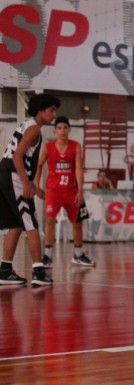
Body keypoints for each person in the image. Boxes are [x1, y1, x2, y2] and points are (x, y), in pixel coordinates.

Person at [0, 93, 59, 287]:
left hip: (7, 174)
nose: (54, 113)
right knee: (31, 223)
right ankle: (38, 271)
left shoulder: (27, 125)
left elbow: (20, 159)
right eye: (51, 110)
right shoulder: (34, 130)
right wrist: (26, 183)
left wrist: (33, 184)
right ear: (41, 111)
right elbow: (17, 156)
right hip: (13, 176)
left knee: (16, 224)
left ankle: (5, 270)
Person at [32, 116, 95, 268]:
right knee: (49, 221)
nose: (62, 131)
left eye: (65, 127)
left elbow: (79, 168)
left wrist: (80, 189)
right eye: (59, 128)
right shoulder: (48, 147)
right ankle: (47, 257)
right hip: (54, 191)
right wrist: (36, 186)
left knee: (77, 222)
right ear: (54, 130)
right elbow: (39, 165)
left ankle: (78, 255)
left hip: (71, 191)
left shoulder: (76, 146)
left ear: (69, 129)